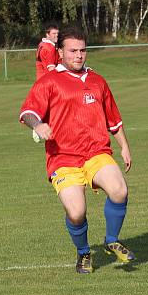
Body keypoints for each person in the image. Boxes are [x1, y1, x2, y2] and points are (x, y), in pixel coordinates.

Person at [19, 26, 135, 274]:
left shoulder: (97, 80)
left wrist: (124, 146)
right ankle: (83, 253)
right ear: (60, 52)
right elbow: (27, 112)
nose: (79, 55)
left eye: (83, 50)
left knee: (119, 189)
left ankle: (111, 240)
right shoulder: (49, 81)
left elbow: (113, 119)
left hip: (96, 152)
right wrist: (38, 125)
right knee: (76, 212)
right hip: (63, 158)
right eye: (73, 51)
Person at [32, 22, 60, 143]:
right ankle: (38, 127)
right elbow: (51, 68)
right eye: (53, 33)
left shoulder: (43, 44)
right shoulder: (48, 48)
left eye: (57, 34)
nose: (56, 36)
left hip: (43, 81)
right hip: (46, 82)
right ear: (47, 34)